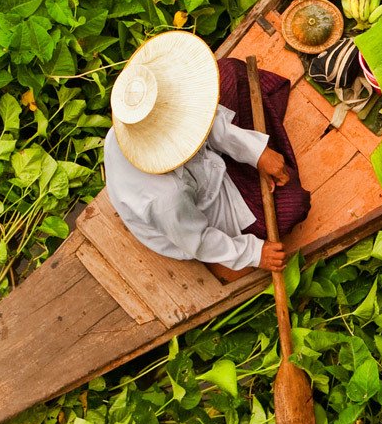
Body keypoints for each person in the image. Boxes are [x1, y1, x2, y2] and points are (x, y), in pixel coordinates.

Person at [102, 32, 311, 279]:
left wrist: (256, 153)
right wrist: (255, 253)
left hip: (205, 167)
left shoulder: (136, 120)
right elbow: (197, 240)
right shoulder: (166, 199)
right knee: (293, 203)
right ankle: (225, 259)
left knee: (230, 72)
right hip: (206, 210)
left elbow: (206, 122)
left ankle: (257, 163)